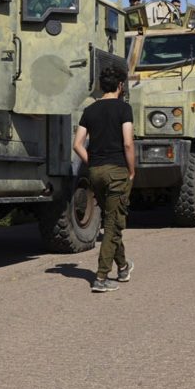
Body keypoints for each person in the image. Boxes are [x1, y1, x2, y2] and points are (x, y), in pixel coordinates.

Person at [74, 64, 135, 292]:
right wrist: (132, 170)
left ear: (101, 86)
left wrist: (92, 162)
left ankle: (123, 267)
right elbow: (128, 143)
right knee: (113, 223)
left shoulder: (90, 110)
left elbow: (77, 144)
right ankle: (101, 277)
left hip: (95, 172)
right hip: (117, 171)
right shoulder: (124, 109)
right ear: (120, 85)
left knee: (111, 221)